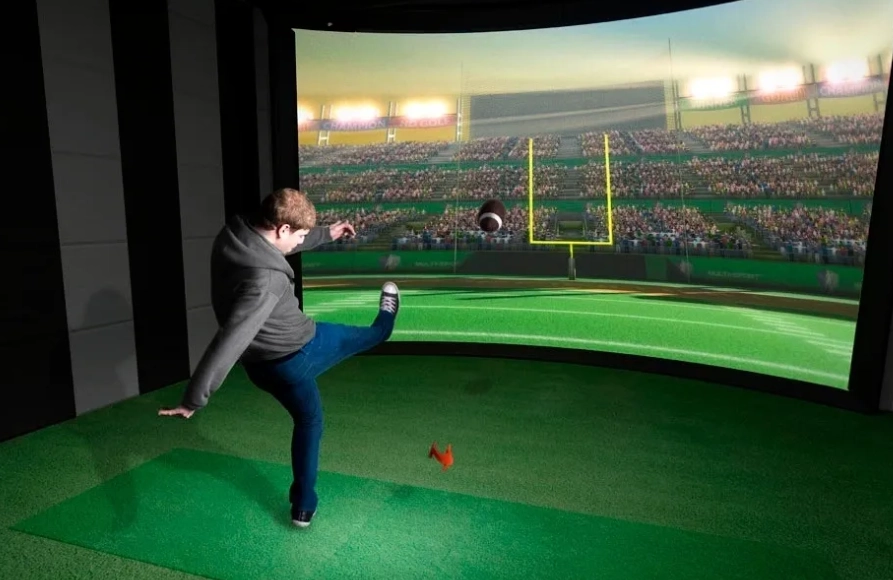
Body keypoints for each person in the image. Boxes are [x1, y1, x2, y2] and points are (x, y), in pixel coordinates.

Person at [158, 188, 400, 528]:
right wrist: (194, 398)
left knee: (308, 417)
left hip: (260, 368)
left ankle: (303, 507)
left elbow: (279, 244)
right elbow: (229, 340)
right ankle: (386, 320)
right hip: (298, 354)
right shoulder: (266, 281)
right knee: (368, 339)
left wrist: (327, 233)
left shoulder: (235, 235)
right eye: (298, 235)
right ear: (282, 229)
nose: (299, 242)